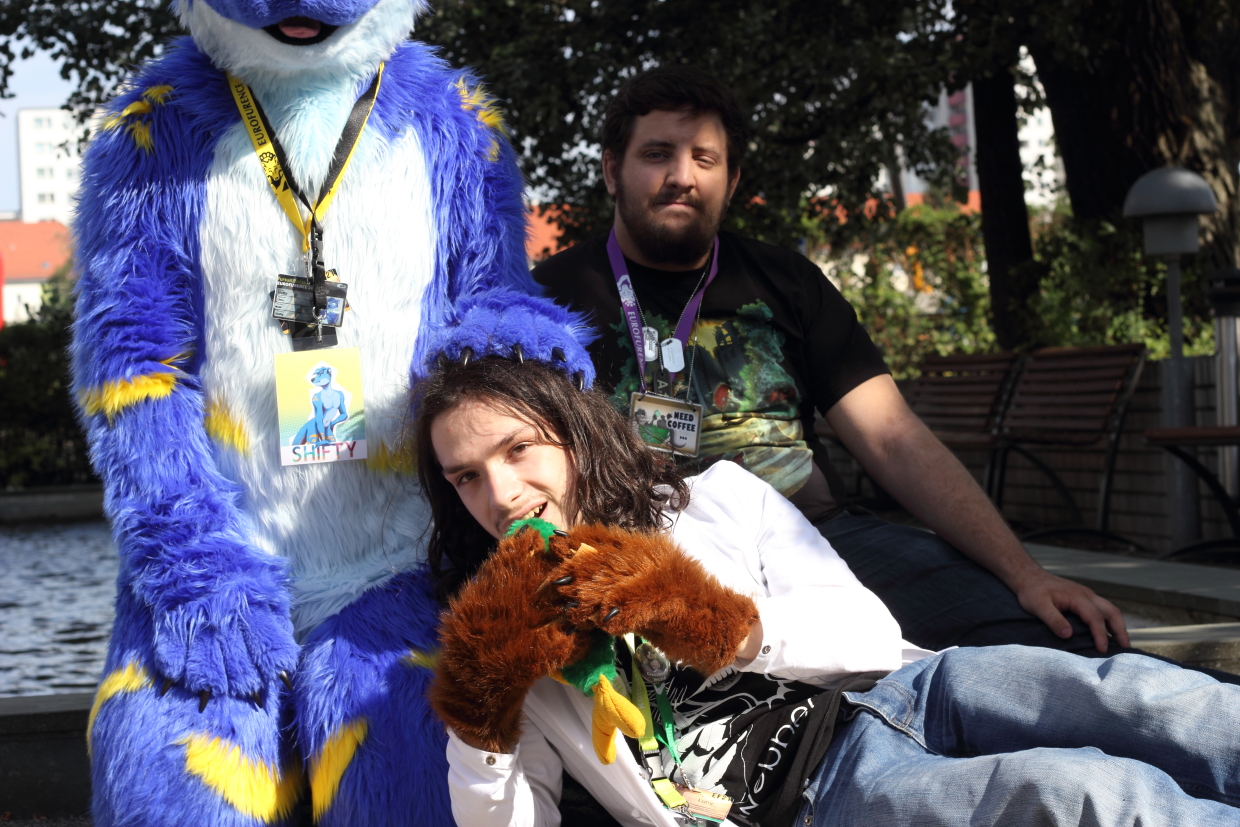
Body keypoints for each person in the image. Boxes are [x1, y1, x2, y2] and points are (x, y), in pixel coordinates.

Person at [415, 355, 1240, 827]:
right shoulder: (506, 636)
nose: (502, 493)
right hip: (823, 795)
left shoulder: (714, 500)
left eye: (518, 449)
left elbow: (870, 634)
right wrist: (482, 710)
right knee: (1088, 794)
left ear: (572, 433)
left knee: (1147, 699)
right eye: (466, 476)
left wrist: (714, 621)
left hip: (911, 686)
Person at [533, 65, 1148, 662]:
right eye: (657, 154)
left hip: (815, 540)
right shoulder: (542, 300)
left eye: (705, 159)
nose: (682, 177)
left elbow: (893, 437)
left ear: (732, 178)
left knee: (1064, 641)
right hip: (638, 555)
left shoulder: (786, 282)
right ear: (612, 170)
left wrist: (1026, 574)